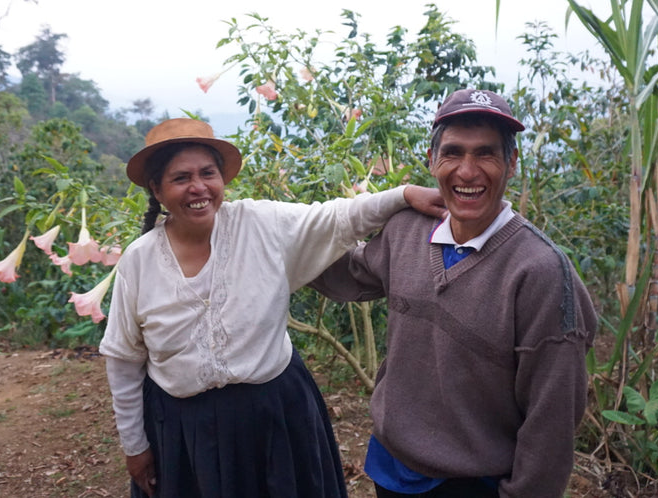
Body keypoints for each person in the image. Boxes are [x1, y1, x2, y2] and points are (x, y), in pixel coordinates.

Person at [98, 118, 445, 498]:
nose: (198, 188)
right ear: (156, 189)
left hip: (275, 417)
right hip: (185, 433)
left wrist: (404, 194)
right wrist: (135, 446)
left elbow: (338, 218)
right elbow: (124, 359)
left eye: (208, 173)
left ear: (222, 178)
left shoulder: (260, 224)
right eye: (181, 178)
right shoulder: (139, 261)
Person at [310, 89, 598, 498]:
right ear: (432, 160)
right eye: (453, 153)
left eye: (486, 154)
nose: (467, 171)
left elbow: (552, 419)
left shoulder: (541, 272)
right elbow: (347, 273)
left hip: (472, 483)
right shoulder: (407, 231)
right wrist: (274, 247)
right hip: (391, 466)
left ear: (511, 163)